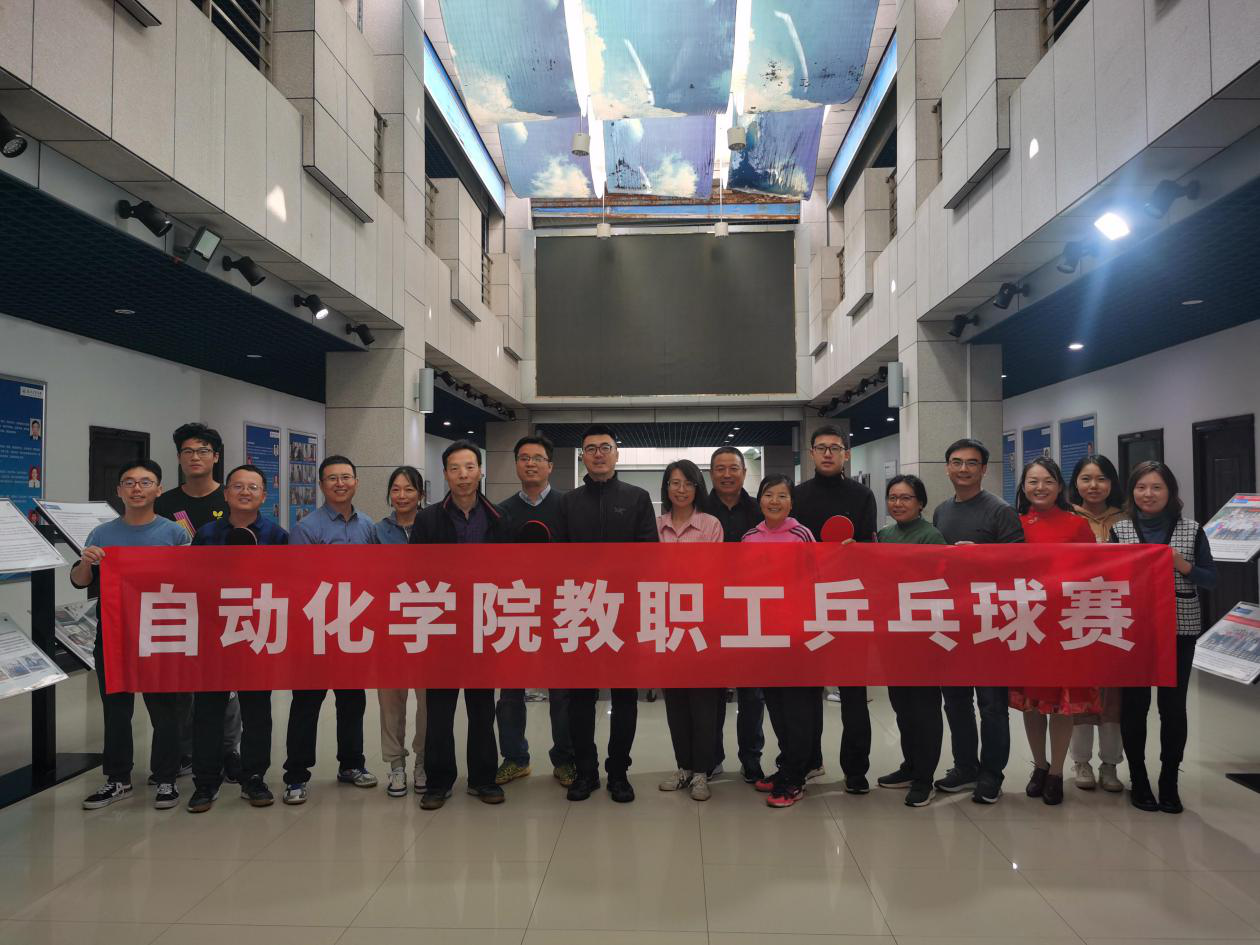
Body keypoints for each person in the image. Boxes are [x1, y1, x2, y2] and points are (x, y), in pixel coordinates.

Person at [73, 460, 188, 811]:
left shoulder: (174, 534)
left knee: (164, 709)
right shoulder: (102, 534)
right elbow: (79, 581)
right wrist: (87, 562)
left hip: (160, 631)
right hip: (115, 633)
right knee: (116, 709)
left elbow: (191, 582)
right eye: (129, 482)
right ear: (119, 491)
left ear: (158, 489)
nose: (137, 488)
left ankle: (166, 777)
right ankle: (117, 778)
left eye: (145, 482)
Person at [559, 424, 658, 803]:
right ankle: (586, 772)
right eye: (591, 448)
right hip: (580, 611)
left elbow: (648, 555)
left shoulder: (636, 498)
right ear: (582, 456)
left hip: (624, 612)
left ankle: (619, 772)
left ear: (617, 454)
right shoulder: (569, 502)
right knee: (580, 698)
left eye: (605, 447)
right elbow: (557, 560)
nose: (598, 454)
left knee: (625, 697)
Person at [1111, 461, 1217, 814]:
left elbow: (1211, 579)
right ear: (1132, 492)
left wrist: (1181, 564)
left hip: (1179, 629)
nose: (1148, 494)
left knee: (1172, 707)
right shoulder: (1120, 530)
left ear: (1170, 491)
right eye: (1141, 487)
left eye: (1157, 487)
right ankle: (1138, 779)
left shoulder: (1192, 529)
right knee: (1135, 706)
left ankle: (1169, 780)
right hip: (1134, 630)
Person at [186, 464, 288, 813]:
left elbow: (288, 584)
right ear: (226, 493)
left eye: (253, 487)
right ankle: (205, 781)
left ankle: (254, 777)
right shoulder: (206, 534)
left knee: (257, 710)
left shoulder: (277, 536)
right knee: (208, 711)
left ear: (264, 495)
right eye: (238, 486)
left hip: (257, 634)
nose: (246, 492)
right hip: (214, 635)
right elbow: (191, 580)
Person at [411, 440, 505, 809]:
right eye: (454, 468)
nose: (463, 475)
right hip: (441, 624)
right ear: (445, 474)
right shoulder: (428, 519)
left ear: (480, 471)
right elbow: (415, 573)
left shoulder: (499, 518)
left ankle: (483, 779)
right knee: (439, 710)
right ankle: (438, 781)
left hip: (483, 624)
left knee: (482, 709)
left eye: (469, 467)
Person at [282, 455, 379, 805]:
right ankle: (296, 775)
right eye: (333, 478)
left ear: (356, 482)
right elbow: (299, 581)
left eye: (346, 477)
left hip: (353, 628)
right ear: (322, 485)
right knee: (306, 704)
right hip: (316, 629)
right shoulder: (307, 528)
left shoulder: (368, 526)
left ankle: (351, 764)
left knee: (352, 701)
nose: (340, 483)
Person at [932, 437, 1024, 804]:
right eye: (957, 462)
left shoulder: (1000, 511)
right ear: (947, 468)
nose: (964, 469)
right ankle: (965, 767)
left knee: (991, 704)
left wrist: (982, 555)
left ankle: (991, 774)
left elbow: (1020, 564)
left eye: (972, 463)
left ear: (984, 469)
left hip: (990, 620)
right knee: (955, 701)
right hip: (953, 620)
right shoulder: (941, 511)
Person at [791, 425, 878, 794]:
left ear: (846, 454)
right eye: (821, 447)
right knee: (806, 692)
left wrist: (855, 551)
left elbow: (870, 549)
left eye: (835, 448)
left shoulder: (863, 496)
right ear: (811, 453)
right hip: (806, 603)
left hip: (848, 603)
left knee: (853, 694)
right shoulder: (796, 496)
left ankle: (856, 770)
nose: (828, 453)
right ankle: (809, 760)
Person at [1009, 457, 1098, 806]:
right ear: (1024, 487)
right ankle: (1039, 766)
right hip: (1028, 624)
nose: (1040, 488)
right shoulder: (1015, 524)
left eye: (1048, 481)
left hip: (1066, 626)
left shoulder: (1077, 525)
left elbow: (1094, 573)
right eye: (1033, 481)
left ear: (1060, 487)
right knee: (1032, 704)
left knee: (1063, 705)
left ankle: (1057, 772)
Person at [155, 423, 235, 783]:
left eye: (203, 451)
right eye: (188, 451)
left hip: (223, 605)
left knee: (227, 683)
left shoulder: (230, 499)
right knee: (181, 684)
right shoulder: (165, 503)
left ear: (215, 457)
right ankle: (185, 753)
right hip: (178, 604)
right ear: (179, 458)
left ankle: (228, 751)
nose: (195, 457)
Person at [494, 435, 575, 789]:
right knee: (511, 691)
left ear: (550, 466)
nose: (530, 464)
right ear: (516, 464)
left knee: (562, 690)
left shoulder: (568, 506)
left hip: (559, 609)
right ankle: (515, 758)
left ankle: (565, 759)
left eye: (538, 458)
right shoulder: (501, 511)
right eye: (524, 457)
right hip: (516, 609)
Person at [742, 475, 817, 808]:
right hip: (763, 635)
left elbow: (817, 579)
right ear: (759, 499)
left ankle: (795, 778)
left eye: (782, 496)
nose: (774, 501)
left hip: (796, 635)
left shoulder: (802, 534)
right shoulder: (749, 537)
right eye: (769, 495)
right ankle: (787, 765)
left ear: (791, 502)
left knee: (796, 708)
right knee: (775, 705)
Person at [875, 474, 947, 807]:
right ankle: (910, 765)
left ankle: (924, 778)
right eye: (893, 497)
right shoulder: (884, 535)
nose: (898, 503)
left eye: (906, 498)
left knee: (924, 708)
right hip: (892, 634)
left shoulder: (931, 536)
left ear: (920, 503)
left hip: (923, 635)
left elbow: (938, 583)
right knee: (901, 705)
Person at [655, 460, 724, 802]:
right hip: (665, 624)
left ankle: (702, 771)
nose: (681, 490)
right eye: (674, 483)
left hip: (701, 624)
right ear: (666, 488)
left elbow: (712, 572)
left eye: (688, 483)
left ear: (698, 488)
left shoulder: (710, 524)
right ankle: (684, 766)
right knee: (676, 701)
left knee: (703, 701)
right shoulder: (655, 526)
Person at [704, 446, 767, 784]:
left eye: (733, 468)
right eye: (720, 468)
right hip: (708, 610)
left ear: (744, 472)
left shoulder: (761, 510)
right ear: (711, 473)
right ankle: (711, 757)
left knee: (752, 692)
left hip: (750, 610)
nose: (727, 474)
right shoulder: (699, 510)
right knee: (711, 690)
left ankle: (751, 758)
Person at [1068, 454, 1127, 792]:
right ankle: (1081, 761)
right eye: (1086, 478)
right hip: (1077, 613)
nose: (1094, 485)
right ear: (1075, 483)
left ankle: (1110, 763)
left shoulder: (1127, 519)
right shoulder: (1068, 519)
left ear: (1111, 483)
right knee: (1080, 687)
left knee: (1113, 692)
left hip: (1118, 615)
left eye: (1101, 478)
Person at [375, 466, 427, 799]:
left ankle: (423, 760)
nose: (402, 496)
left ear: (420, 494)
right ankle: (395, 764)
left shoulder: (433, 524)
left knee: (428, 700)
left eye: (409, 489)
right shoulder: (377, 531)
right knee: (391, 700)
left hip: (427, 623)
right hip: (390, 625)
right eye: (396, 489)